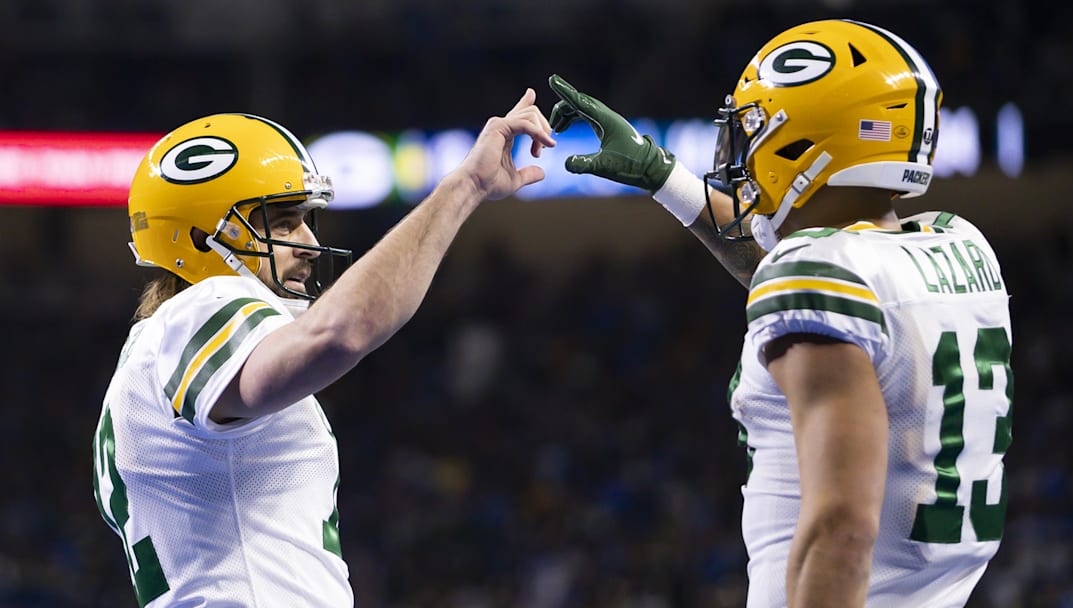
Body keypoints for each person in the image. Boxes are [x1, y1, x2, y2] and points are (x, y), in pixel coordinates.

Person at [547, 19, 1012, 608]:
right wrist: (664, 176)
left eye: (754, 129)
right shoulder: (960, 248)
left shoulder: (820, 276)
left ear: (809, 145)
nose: (741, 148)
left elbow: (842, 528)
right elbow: (807, 280)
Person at [92, 91, 555, 607]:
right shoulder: (200, 308)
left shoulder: (150, 354)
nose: (309, 243)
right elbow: (341, 333)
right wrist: (465, 185)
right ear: (201, 237)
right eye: (284, 221)